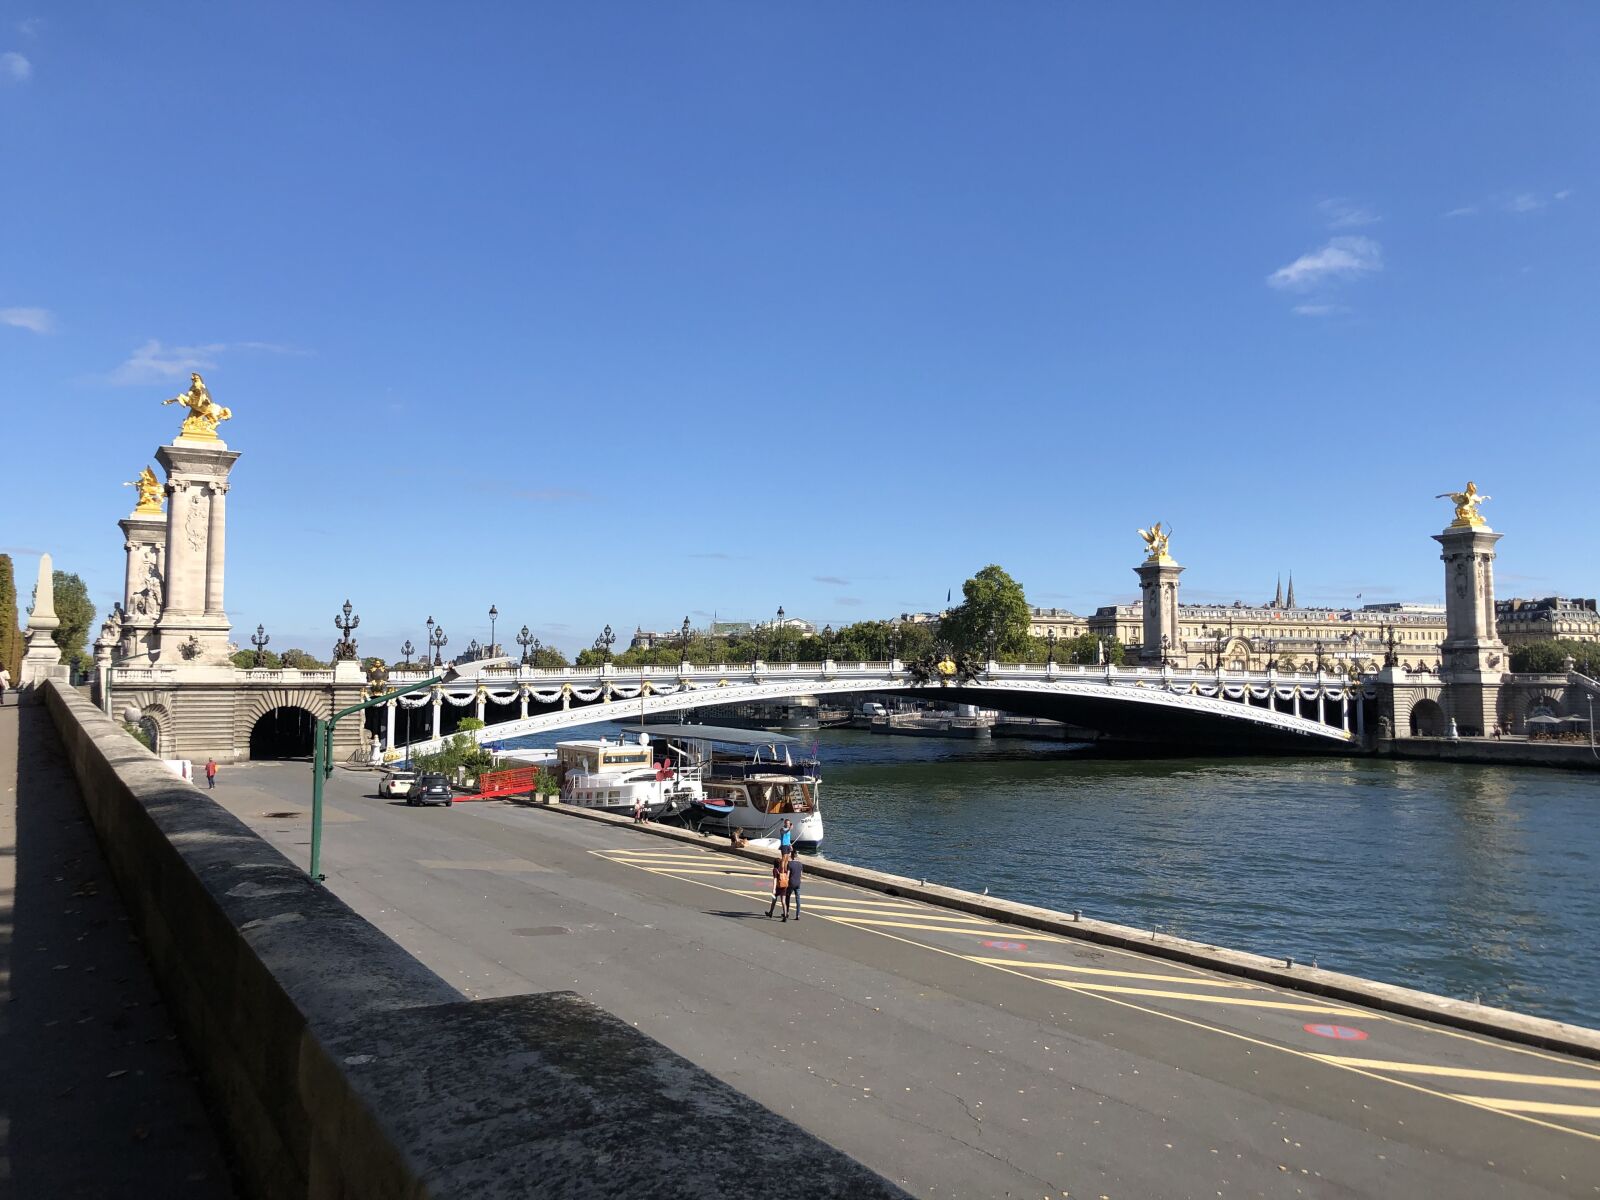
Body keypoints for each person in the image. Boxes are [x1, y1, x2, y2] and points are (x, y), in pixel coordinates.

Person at [766, 849, 791, 920]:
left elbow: (775, 879)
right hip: (784, 886)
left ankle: (771, 912)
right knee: (783, 901)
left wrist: (773, 889)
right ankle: (785, 915)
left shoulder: (775, 870)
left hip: (777, 887)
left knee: (774, 900)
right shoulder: (783, 869)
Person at [783, 849, 803, 921]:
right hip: (798, 883)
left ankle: (787, 912)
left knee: (787, 897)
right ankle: (798, 915)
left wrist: (785, 882)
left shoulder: (790, 864)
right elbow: (801, 875)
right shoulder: (800, 864)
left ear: (791, 856)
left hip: (791, 883)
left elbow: (788, 875)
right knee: (798, 899)